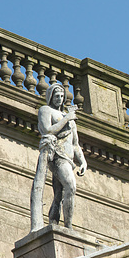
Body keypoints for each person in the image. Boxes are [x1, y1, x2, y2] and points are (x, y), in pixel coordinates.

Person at [30, 82, 87, 232]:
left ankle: (54, 222)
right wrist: (66, 119)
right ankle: (68, 226)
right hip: (57, 157)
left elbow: (75, 144)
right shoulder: (46, 110)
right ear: (50, 97)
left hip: (68, 159)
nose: (60, 99)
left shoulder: (70, 118)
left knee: (59, 195)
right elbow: (47, 130)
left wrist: (83, 161)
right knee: (71, 186)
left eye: (62, 96)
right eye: (56, 96)